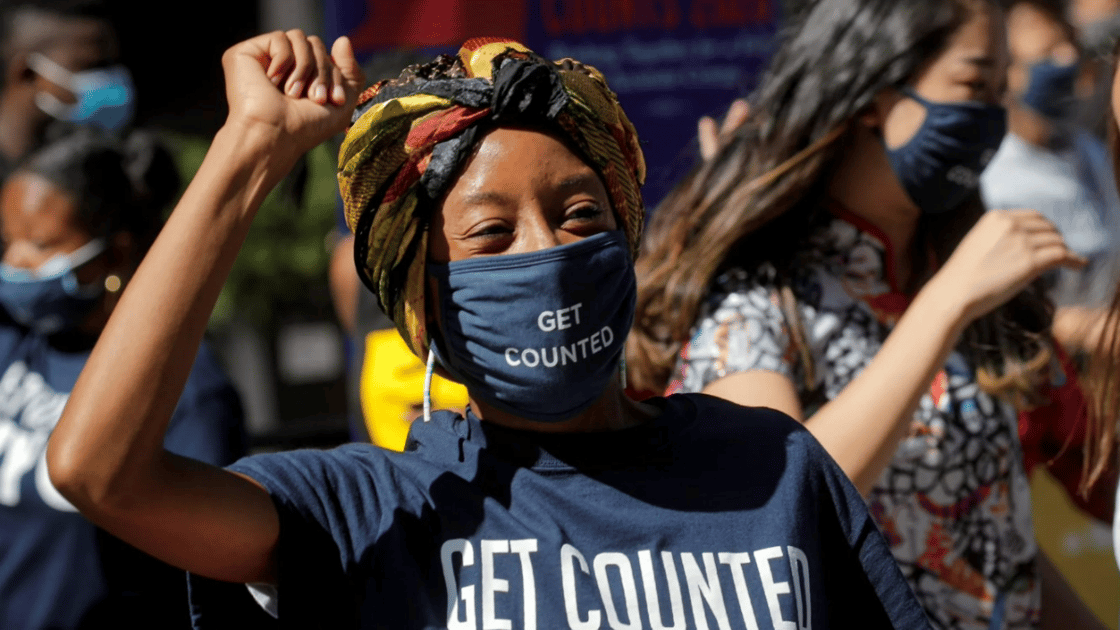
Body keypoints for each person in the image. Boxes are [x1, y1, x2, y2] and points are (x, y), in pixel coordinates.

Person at [44, 31, 932, 629]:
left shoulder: (772, 466)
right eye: (491, 235)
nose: (546, 253)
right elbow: (100, 472)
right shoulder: (368, 512)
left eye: (581, 216)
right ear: (423, 299)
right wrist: (248, 153)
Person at [629, 0, 1112, 628]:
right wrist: (945, 306)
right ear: (870, 94)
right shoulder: (758, 296)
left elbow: (987, 540)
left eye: (1000, 90)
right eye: (972, 86)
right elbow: (773, 505)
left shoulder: (973, 285)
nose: (992, 117)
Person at [0, 124, 245, 628]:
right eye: (9, 242)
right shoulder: (21, 343)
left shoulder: (187, 390)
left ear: (113, 253)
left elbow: (210, 566)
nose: (14, 264)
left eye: (40, 245)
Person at [0, 0, 134, 182]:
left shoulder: (95, 169)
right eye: (89, 67)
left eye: (109, 66)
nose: (107, 79)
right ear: (27, 73)